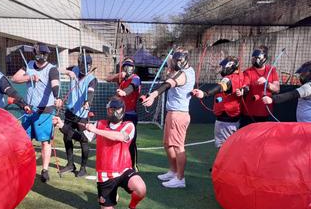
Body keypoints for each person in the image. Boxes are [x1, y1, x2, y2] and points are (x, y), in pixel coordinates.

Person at [52, 97, 147, 209]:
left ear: (123, 110)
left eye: (117, 109)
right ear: (107, 110)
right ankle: (113, 193)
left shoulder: (128, 125)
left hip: (123, 169)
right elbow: (81, 138)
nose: (114, 112)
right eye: (111, 109)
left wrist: (96, 130)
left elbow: (119, 137)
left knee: (141, 188)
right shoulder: (100, 123)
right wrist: (61, 125)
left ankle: (132, 208)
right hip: (104, 173)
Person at [142, 47, 195, 188]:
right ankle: (173, 172)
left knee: (178, 147)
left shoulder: (184, 74)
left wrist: (153, 95)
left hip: (179, 114)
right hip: (172, 113)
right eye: (176, 59)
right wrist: (172, 64)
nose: (177, 62)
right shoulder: (179, 70)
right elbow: (170, 57)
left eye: (180, 60)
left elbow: (168, 84)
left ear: (186, 59)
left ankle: (180, 179)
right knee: (167, 144)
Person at [11, 43, 62, 182]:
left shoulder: (52, 69)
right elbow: (14, 79)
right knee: (24, 141)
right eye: (40, 53)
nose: (42, 56)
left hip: (45, 111)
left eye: (45, 54)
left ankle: (44, 170)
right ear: (35, 53)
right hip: (29, 109)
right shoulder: (28, 65)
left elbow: (55, 84)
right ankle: (25, 168)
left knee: (45, 142)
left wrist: (57, 96)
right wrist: (29, 78)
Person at [193, 56, 246, 148]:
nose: (224, 69)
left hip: (226, 115)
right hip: (232, 114)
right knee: (229, 144)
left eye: (227, 68)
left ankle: (226, 162)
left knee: (225, 146)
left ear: (233, 67)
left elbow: (221, 86)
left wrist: (205, 94)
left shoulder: (229, 79)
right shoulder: (241, 75)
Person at [59, 52, 98, 177]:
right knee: (66, 137)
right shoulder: (74, 70)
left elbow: (90, 92)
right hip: (70, 112)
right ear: (79, 63)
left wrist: (88, 102)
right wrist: (67, 72)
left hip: (82, 114)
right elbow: (57, 70)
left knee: (83, 141)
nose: (85, 66)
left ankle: (83, 168)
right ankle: (70, 164)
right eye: (83, 63)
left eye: (88, 64)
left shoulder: (92, 79)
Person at [262, 60, 311, 125]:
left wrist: (271, 99)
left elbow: (291, 95)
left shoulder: (308, 87)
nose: (303, 76)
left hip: (308, 126)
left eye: (305, 73)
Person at [105, 57, 141, 171]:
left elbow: (133, 86)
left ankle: (132, 166)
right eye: (125, 65)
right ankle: (118, 163)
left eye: (130, 65)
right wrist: (119, 75)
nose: (127, 68)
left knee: (130, 141)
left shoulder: (136, 78)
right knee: (116, 139)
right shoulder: (121, 78)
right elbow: (107, 79)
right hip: (119, 113)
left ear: (133, 67)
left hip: (130, 114)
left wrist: (124, 92)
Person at [236, 45, 280, 127]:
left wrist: (266, 83)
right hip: (248, 113)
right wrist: (243, 91)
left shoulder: (272, 70)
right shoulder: (248, 71)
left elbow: (277, 89)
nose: (255, 60)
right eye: (254, 58)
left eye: (258, 58)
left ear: (265, 57)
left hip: (265, 112)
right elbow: (246, 85)